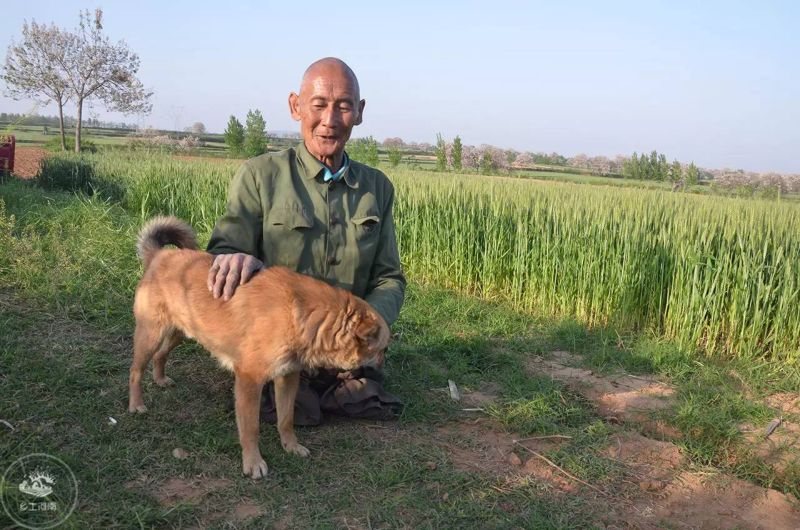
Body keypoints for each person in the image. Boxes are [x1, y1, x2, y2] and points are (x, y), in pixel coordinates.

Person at [206, 57, 405, 423]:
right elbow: (223, 251)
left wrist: (374, 324)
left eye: (344, 106)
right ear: (296, 106)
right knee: (294, 400)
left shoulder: (377, 188)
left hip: (344, 345)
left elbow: (389, 277)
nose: (329, 120)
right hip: (280, 342)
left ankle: (338, 380)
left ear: (359, 113)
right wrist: (234, 256)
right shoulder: (259, 176)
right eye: (318, 105)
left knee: (361, 399)